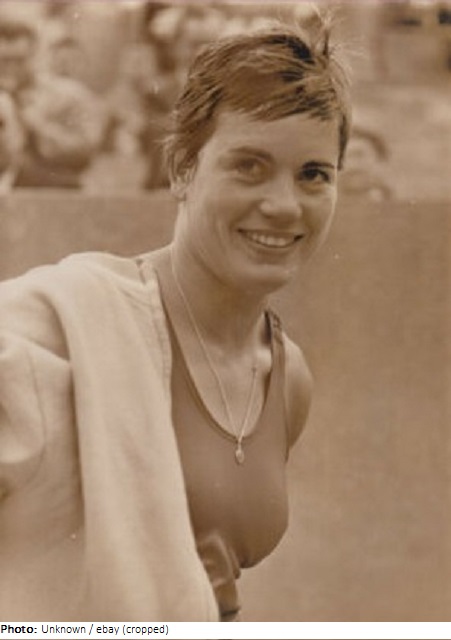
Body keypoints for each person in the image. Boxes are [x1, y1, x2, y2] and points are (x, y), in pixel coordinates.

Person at [0, 11, 352, 622]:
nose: (283, 204)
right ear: (181, 170)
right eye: (248, 165)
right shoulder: (67, 324)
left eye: (313, 174)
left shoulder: (288, 377)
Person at [0, 7, 106, 189]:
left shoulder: (69, 95)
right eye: (3, 61)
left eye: (19, 60)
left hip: (50, 192)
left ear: (35, 55)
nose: (10, 68)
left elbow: (85, 150)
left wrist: (35, 124)